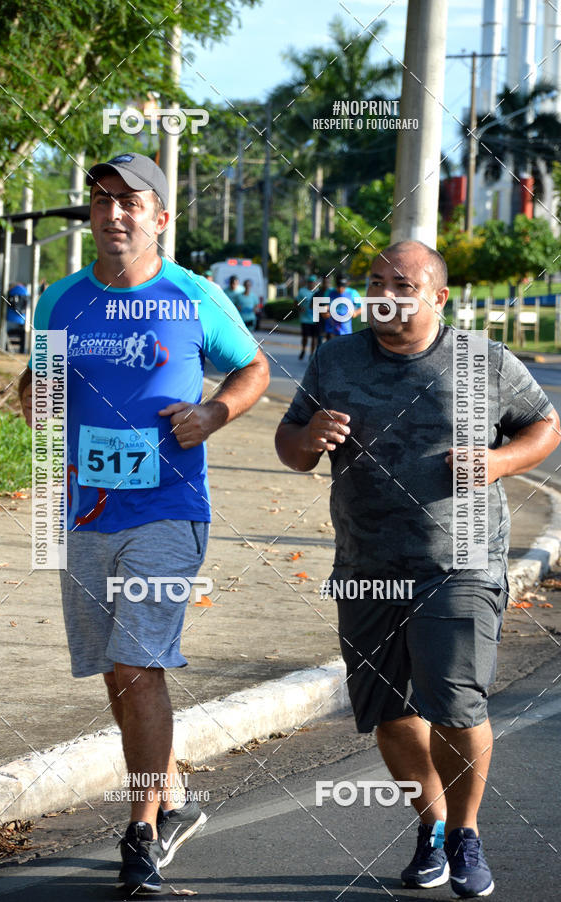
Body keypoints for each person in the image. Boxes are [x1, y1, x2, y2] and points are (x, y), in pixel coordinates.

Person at [275, 240, 560, 898]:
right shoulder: (338, 359)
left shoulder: (483, 360)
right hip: (367, 564)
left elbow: (544, 426)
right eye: (374, 281)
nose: (383, 293)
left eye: (400, 283)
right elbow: (291, 446)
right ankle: (431, 827)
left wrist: (498, 463)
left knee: (457, 706)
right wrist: (306, 438)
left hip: (459, 563)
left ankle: (466, 832)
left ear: (437, 295)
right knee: (392, 714)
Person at [18, 151, 269, 893]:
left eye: (131, 201)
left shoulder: (192, 295)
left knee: (137, 662)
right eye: (102, 201)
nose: (114, 213)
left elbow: (253, 368)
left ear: (161, 217)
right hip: (85, 509)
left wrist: (214, 412)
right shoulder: (60, 300)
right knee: (117, 671)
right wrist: (37, 394)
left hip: (168, 507)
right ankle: (175, 799)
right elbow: (45, 383)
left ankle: (141, 832)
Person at [296, 274, 320, 359]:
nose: (311, 284)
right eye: (310, 282)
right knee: (305, 336)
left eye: (313, 282)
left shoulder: (318, 292)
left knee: (314, 337)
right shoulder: (302, 291)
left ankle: (311, 354)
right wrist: (299, 307)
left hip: (315, 318)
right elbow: (296, 302)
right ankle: (303, 349)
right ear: (308, 283)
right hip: (305, 319)